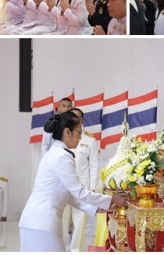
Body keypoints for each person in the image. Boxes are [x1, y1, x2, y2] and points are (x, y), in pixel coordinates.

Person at [19, 112, 125, 251]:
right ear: (67, 132)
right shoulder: (61, 156)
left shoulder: (55, 152)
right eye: (79, 132)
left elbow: (69, 194)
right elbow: (79, 191)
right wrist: (111, 199)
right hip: (41, 223)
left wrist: (95, 208)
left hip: (36, 222)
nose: (81, 138)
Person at [66, 108, 100, 252]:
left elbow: (94, 166)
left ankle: (75, 249)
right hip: (65, 184)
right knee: (62, 219)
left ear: (82, 120)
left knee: (79, 220)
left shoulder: (89, 140)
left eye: (77, 117)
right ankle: (64, 247)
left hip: (82, 186)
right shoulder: (64, 136)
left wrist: (92, 188)